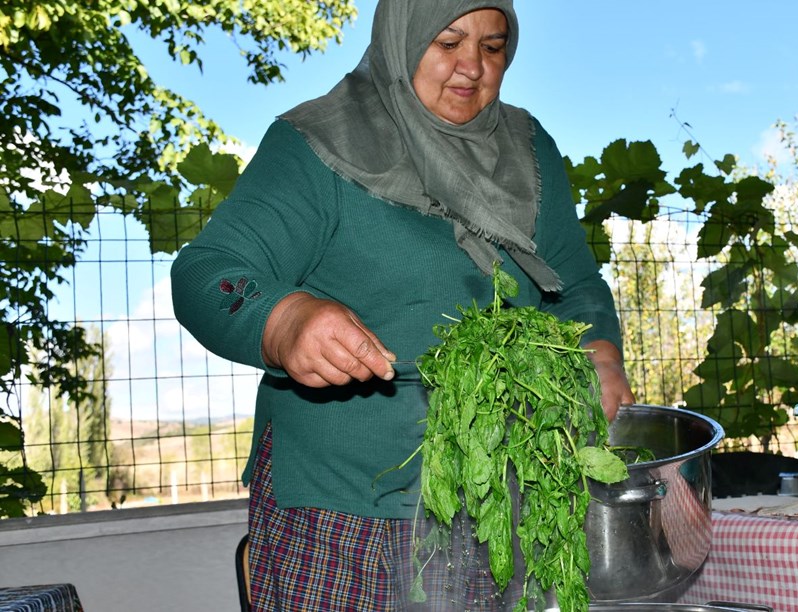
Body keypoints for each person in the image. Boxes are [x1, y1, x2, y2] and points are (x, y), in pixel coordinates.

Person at [170, 0, 635, 610]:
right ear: (403, 37)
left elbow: (572, 282)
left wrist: (599, 349)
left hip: (494, 497)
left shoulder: (527, 148)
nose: (473, 66)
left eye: (493, 47)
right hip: (343, 510)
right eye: (448, 42)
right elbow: (208, 272)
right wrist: (284, 321)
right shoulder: (317, 144)